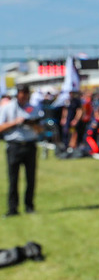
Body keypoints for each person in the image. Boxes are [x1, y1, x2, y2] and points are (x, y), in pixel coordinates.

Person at [0, 85, 41, 216]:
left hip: (29, 145)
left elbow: (40, 129)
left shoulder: (33, 108)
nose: (23, 97)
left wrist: (31, 124)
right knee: (13, 178)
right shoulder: (7, 108)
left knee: (31, 178)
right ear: (17, 94)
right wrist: (15, 122)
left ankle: (29, 206)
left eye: (26, 94)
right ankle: (12, 208)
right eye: (21, 94)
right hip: (14, 145)